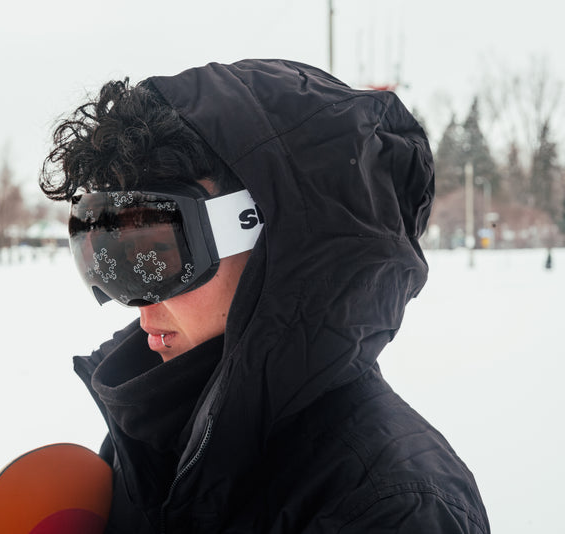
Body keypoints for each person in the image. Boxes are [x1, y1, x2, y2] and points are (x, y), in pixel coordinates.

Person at [40, 59, 490, 533]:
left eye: (158, 255)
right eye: (109, 259)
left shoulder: (393, 506)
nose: (136, 301)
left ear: (278, 245)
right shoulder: (149, 429)